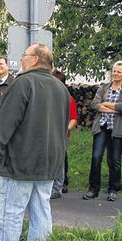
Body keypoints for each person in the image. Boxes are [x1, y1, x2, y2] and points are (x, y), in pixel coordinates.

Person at [0, 44, 70, 241]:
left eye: (24, 55)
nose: (21, 59)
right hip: (49, 162)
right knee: (42, 212)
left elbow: (6, 121)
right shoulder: (61, 88)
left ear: (34, 59)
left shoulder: (23, 82)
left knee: (11, 213)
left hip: (20, 161)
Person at [83, 61, 122, 201]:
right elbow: (94, 104)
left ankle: (113, 189)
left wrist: (105, 104)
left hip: (117, 129)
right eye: (114, 71)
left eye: (118, 71)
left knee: (115, 160)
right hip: (102, 126)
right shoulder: (104, 88)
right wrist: (113, 108)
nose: (115, 74)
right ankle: (93, 189)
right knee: (96, 157)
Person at [50, 69, 78, 199]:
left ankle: (57, 188)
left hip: (61, 135)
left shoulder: (68, 98)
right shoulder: (47, 97)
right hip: (47, 134)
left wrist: (64, 130)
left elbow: (73, 119)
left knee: (59, 162)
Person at [0, 56, 15, 190]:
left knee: (4, 153)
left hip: (4, 123)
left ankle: (5, 183)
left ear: (8, 66)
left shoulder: (13, 83)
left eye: (1, 64)